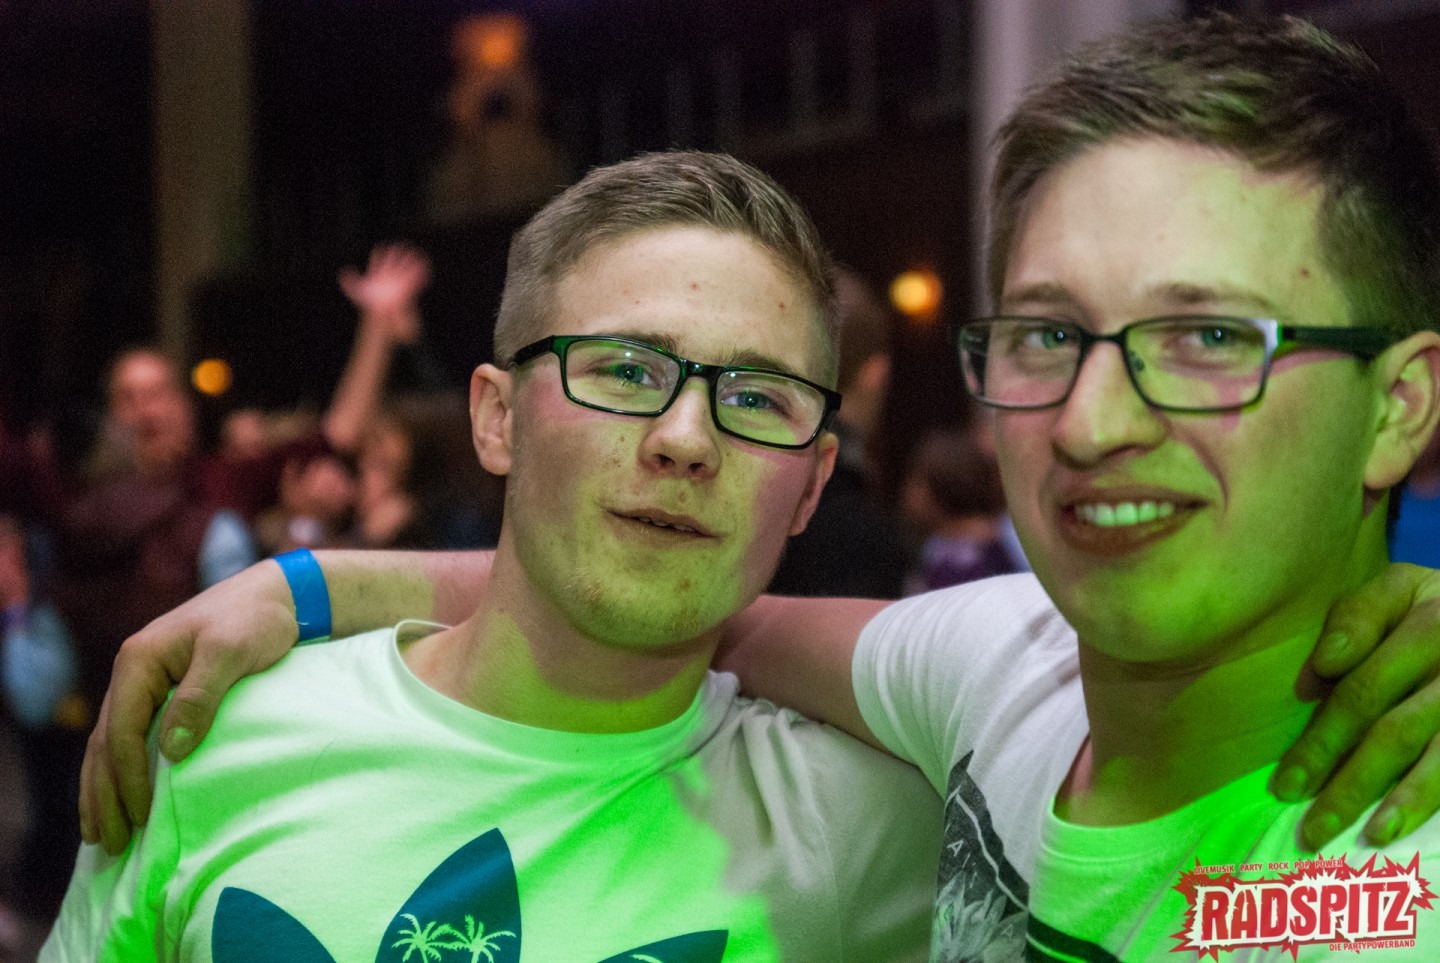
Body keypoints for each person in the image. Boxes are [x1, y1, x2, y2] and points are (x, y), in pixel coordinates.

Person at [76, 15, 1440, 961]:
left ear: (1401, 403)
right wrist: (305, 585)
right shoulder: (999, 677)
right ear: (495, 413)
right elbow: (707, 607)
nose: (1092, 418)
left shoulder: (869, 808)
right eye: (1046, 336)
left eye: (1209, 339)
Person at [44, 152, 939, 961]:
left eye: (756, 397)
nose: (685, 438)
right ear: (497, 418)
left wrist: (312, 581)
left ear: (813, 482)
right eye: (626, 370)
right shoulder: (221, 735)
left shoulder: (865, 831)